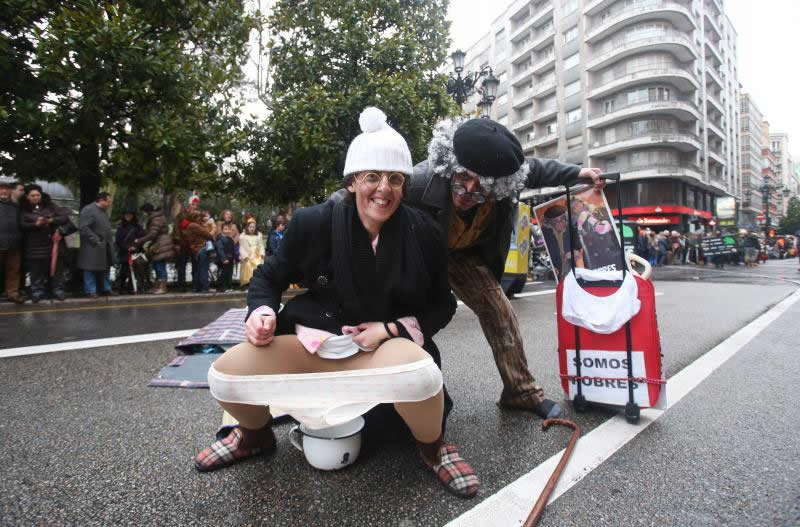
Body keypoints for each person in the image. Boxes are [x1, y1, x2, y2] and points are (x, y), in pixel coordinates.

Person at [194, 107, 478, 498]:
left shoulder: (424, 232)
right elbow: (267, 278)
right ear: (351, 182)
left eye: (395, 179)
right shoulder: (313, 222)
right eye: (372, 177)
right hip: (316, 343)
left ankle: (433, 448)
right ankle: (254, 435)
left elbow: (442, 304)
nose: (384, 189)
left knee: (424, 377)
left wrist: (390, 329)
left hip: (382, 349)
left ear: (404, 186)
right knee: (225, 375)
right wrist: (261, 314)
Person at [399, 117, 603, 419]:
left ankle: (520, 392)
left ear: (500, 185)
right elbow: (368, 197)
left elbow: (536, 169)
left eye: (481, 188)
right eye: (462, 179)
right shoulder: (416, 181)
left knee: (499, 310)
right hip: (419, 255)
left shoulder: (506, 181)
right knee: (408, 319)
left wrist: (579, 173)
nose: (467, 191)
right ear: (448, 165)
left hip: (464, 255)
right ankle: (403, 392)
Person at [19, 184, 71, 302]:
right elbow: (22, 224)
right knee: (36, 271)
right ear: (27, 196)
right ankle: (37, 291)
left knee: (56, 270)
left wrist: (51, 220)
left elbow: (64, 216)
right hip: (34, 246)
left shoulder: (50, 205)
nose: (36, 197)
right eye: (32, 195)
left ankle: (58, 290)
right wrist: (35, 224)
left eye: (38, 195)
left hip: (52, 244)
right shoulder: (23, 209)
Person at [78, 192, 117, 298]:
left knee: (105, 267)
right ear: (101, 200)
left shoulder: (103, 211)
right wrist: (96, 240)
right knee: (89, 268)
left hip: (104, 245)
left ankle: (106, 288)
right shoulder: (88, 210)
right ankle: (91, 290)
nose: (109, 204)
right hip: (92, 246)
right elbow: (84, 227)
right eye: (108, 201)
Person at [135, 203, 176, 295]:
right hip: (160, 243)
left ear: (147, 211)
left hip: (161, 244)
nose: (143, 214)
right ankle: (157, 286)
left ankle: (162, 287)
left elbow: (152, 234)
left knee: (160, 265)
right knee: (157, 265)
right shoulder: (157, 217)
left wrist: (140, 240)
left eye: (144, 212)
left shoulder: (155, 219)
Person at [0, 181, 25, 303]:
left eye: (6, 189)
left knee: (14, 270)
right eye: (1, 189)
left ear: (10, 191)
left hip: (14, 244)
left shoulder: (16, 207)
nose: (3, 191)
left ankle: (13, 293)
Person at [179, 211, 214, 293]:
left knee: (198, 269)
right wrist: (212, 237)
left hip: (195, 250)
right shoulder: (194, 225)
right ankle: (205, 287)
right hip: (201, 248)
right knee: (203, 269)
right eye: (199, 217)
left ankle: (197, 287)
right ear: (194, 218)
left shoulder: (187, 226)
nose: (200, 218)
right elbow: (207, 234)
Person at [114, 209, 144, 294]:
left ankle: (131, 288)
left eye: (130, 215)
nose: (128, 216)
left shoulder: (138, 226)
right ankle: (121, 287)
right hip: (125, 252)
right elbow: (118, 240)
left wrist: (136, 247)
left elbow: (142, 238)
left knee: (134, 271)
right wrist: (127, 248)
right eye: (126, 215)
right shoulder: (121, 227)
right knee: (123, 271)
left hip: (136, 253)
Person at [238, 218, 265, 288]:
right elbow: (242, 247)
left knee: (259, 265)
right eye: (250, 227)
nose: (252, 229)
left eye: (253, 227)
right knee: (248, 266)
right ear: (247, 227)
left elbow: (261, 245)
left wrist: (262, 253)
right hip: (248, 254)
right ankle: (247, 282)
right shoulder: (243, 236)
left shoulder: (258, 236)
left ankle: (258, 282)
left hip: (257, 254)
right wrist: (245, 256)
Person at [214, 223, 235, 292]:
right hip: (223, 260)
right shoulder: (220, 239)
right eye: (225, 229)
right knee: (223, 274)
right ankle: (222, 287)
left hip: (230, 259)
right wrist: (224, 258)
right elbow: (220, 249)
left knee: (229, 273)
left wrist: (235, 258)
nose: (227, 231)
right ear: (222, 230)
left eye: (229, 229)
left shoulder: (230, 239)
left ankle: (228, 286)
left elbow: (232, 249)